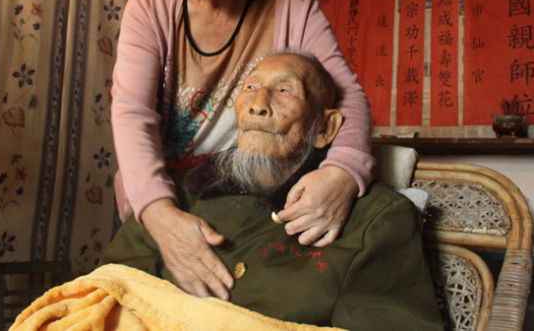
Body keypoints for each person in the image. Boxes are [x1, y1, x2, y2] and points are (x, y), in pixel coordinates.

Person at [110, 0, 374, 302]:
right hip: (163, 196)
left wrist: (343, 173)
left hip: (247, 196)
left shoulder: (292, 2)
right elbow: (132, 113)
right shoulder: (149, 6)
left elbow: (346, 97)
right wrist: (159, 214)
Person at [102, 51, 443, 330]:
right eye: (250, 88)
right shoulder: (176, 197)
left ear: (325, 128)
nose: (258, 104)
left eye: (284, 91)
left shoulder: (377, 219)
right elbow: (101, 295)